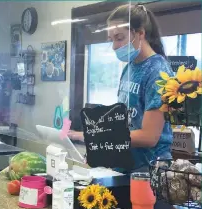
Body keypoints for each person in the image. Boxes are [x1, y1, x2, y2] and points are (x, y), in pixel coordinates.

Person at [69, 4, 173, 172]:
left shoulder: (158, 72)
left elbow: (149, 136)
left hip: (149, 168)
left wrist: (97, 137)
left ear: (140, 33)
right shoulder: (129, 67)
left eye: (119, 38)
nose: (114, 47)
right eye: (111, 40)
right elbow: (125, 122)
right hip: (126, 162)